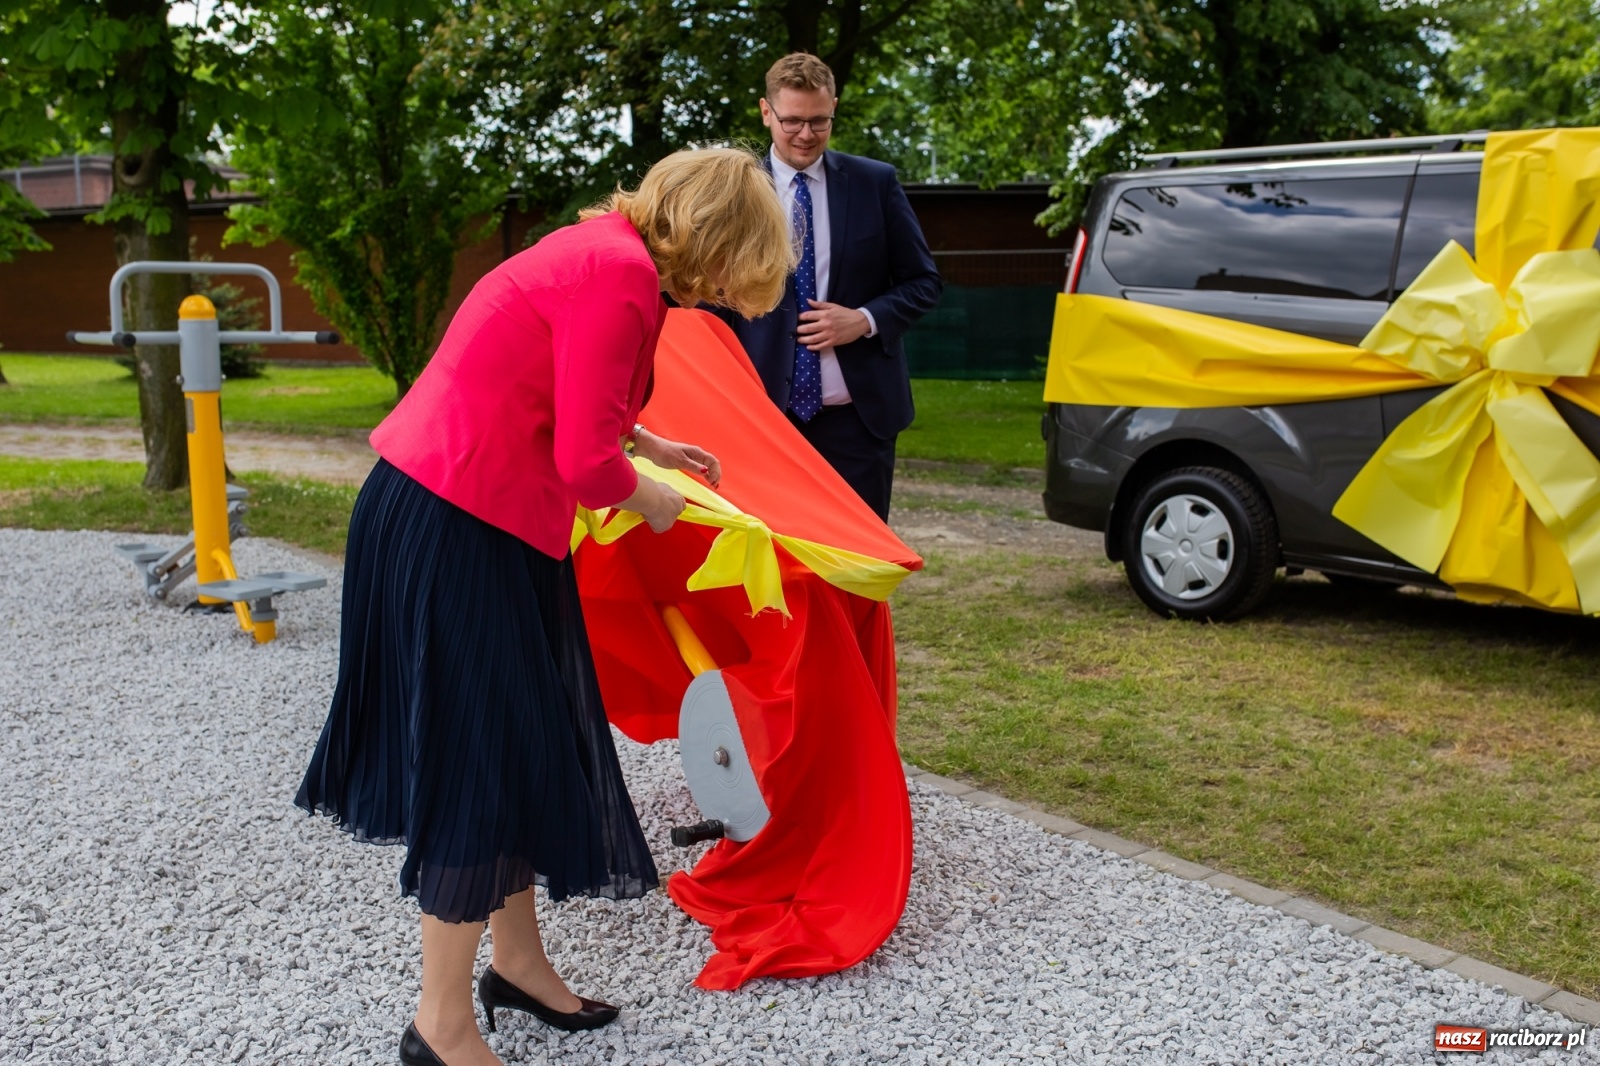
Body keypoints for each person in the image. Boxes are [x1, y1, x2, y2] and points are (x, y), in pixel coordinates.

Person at [294, 147, 791, 1066]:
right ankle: (439, 1025)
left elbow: (560, 385)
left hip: (475, 517)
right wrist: (652, 497)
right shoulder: (622, 277)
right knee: (476, 759)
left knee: (522, 744)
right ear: (715, 238)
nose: (729, 293)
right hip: (457, 524)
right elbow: (583, 466)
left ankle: (515, 965)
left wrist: (650, 440)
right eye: (736, 270)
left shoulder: (603, 252)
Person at [718, 52, 942, 521]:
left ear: (834, 107)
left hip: (858, 422)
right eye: (793, 121)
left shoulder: (874, 183)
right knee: (776, 567)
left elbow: (923, 282)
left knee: (859, 566)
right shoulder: (734, 193)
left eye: (820, 121)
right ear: (766, 112)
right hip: (764, 421)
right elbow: (710, 303)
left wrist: (862, 320)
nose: (805, 134)